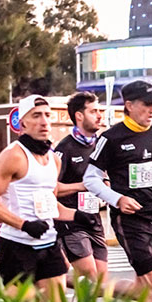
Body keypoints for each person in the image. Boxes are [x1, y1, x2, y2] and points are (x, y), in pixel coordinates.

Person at [0, 95, 97, 302]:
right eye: (36, 116)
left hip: (48, 244)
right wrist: (24, 225)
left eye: (47, 115)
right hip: (17, 246)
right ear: (23, 122)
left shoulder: (54, 159)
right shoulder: (13, 155)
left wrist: (78, 216)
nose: (44, 121)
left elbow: (52, 205)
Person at [84, 81, 152, 302]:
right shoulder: (111, 138)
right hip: (128, 220)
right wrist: (117, 199)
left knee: (142, 288)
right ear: (129, 105)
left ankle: (95, 288)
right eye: (146, 105)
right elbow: (91, 178)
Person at [54, 92, 108, 282]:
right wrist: (82, 186)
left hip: (94, 219)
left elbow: (105, 178)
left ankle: (52, 280)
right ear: (79, 116)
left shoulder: (100, 146)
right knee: (90, 274)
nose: (99, 115)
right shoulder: (64, 149)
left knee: (99, 281)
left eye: (99, 110)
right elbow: (53, 188)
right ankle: (50, 280)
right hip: (71, 221)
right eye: (93, 111)